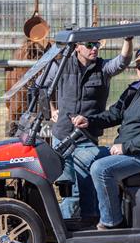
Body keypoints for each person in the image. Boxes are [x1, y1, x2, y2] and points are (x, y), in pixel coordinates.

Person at [71, 46, 140, 230]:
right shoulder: (136, 89)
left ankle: (112, 222)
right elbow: (114, 113)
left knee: (101, 169)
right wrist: (89, 121)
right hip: (133, 152)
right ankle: (91, 214)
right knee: (82, 156)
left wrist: (125, 147)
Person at [39, 28, 133, 223]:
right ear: (77, 47)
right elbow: (42, 86)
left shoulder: (103, 68)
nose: (94, 49)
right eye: (90, 45)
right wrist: (51, 109)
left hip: (87, 138)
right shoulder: (61, 66)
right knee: (67, 186)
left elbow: (122, 62)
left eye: (97, 44)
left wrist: (128, 40)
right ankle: (66, 228)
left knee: (87, 183)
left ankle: (90, 225)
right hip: (62, 135)